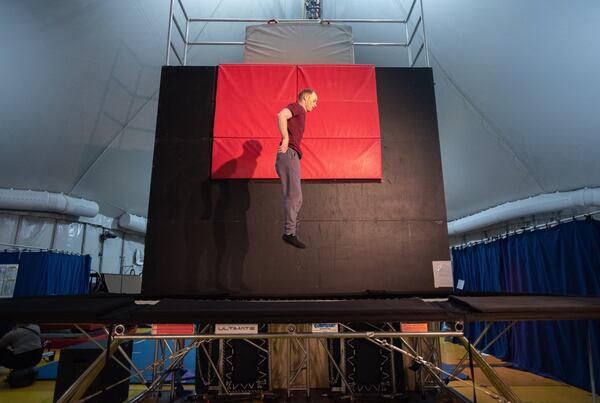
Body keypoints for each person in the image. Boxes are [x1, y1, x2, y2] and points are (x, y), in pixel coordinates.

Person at [275, 88, 318, 248]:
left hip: (291, 157)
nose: (315, 105)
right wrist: (285, 138)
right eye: (314, 100)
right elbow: (281, 115)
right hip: (289, 154)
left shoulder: (301, 112)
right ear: (305, 98)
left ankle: (292, 232)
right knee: (293, 196)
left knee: (297, 197)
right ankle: (289, 233)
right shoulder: (298, 107)